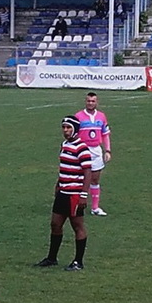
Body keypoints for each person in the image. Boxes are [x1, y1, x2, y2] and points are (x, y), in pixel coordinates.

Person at [35, 116, 91, 271]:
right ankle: (52, 258)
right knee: (55, 224)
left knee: (77, 225)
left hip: (74, 194)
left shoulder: (82, 148)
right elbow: (63, 167)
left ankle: (78, 261)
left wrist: (83, 195)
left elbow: (88, 172)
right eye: (64, 127)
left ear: (75, 129)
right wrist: (58, 183)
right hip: (63, 192)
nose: (65, 131)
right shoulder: (65, 145)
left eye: (68, 128)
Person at [74, 92, 112, 216]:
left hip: (96, 150)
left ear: (97, 102)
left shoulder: (101, 116)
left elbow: (105, 134)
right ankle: (74, 204)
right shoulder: (78, 116)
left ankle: (95, 208)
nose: (90, 103)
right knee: (78, 178)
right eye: (88, 101)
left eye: (93, 101)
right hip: (82, 149)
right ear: (85, 102)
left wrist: (107, 150)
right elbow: (73, 134)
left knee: (94, 179)